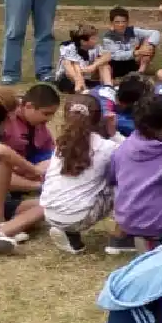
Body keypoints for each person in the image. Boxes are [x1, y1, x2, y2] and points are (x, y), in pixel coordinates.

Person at [107, 93, 162, 252]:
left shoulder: (123, 147)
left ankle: (124, 238)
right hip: (159, 224)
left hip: (125, 220)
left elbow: (113, 178)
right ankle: (155, 243)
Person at [40, 94, 118, 254]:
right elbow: (132, 152)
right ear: (98, 118)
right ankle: (122, 236)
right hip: (79, 216)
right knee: (124, 182)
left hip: (49, 212)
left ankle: (70, 236)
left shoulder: (60, 144)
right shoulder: (107, 147)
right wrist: (113, 132)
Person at [0, 89, 59, 252]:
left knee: (52, 206)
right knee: (3, 163)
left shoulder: (37, 128)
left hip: (0, 199)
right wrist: (34, 171)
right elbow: (1, 151)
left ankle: (4, 229)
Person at [102, 8, 160, 80]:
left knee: (148, 43)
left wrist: (150, 45)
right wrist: (135, 52)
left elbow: (155, 32)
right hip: (116, 65)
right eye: (117, 22)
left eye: (123, 22)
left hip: (133, 62)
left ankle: (140, 74)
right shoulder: (108, 37)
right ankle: (113, 81)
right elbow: (116, 56)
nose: (121, 25)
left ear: (127, 22)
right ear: (112, 23)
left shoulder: (133, 31)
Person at [56, 25, 113, 93]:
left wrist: (93, 65)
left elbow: (108, 55)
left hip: (87, 75)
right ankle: (82, 89)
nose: (96, 40)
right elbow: (68, 66)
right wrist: (78, 79)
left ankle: (108, 88)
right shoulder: (68, 46)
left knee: (104, 64)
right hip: (68, 78)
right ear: (83, 42)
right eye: (93, 38)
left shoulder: (95, 47)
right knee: (73, 67)